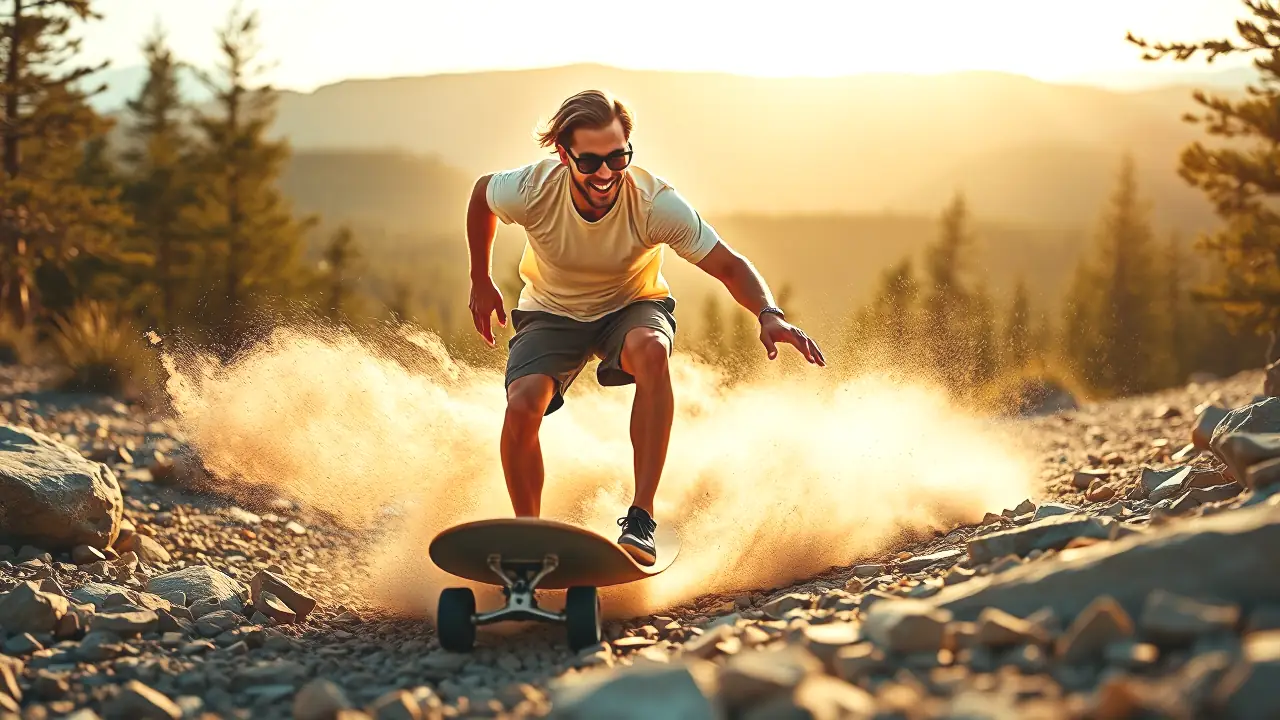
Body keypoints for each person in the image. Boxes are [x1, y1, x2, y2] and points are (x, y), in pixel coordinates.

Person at [465, 89, 826, 565]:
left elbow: (730, 266)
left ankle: (641, 517)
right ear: (562, 153)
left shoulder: (655, 203)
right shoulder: (532, 188)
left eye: (618, 158)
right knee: (523, 404)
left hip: (631, 305)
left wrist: (769, 314)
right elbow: (481, 195)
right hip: (551, 312)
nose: (605, 174)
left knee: (652, 350)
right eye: (590, 161)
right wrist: (480, 277)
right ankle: (528, 537)